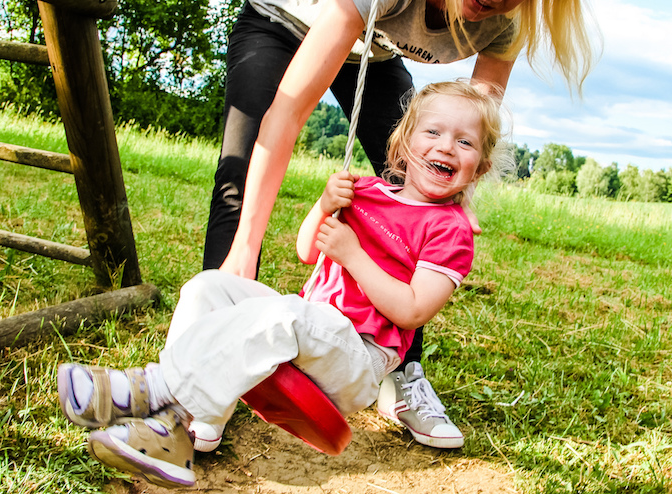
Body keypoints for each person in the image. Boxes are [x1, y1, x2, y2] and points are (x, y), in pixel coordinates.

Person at [56, 82, 512, 488]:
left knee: (287, 315)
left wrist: (352, 254)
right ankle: (183, 430)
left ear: (481, 167)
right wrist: (322, 205)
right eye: (433, 132)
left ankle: (154, 394)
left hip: (357, 357)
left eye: (464, 141)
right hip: (307, 326)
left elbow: (413, 310)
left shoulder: (451, 230)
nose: (447, 146)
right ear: (404, 143)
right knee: (210, 287)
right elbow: (307, 252)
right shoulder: (366, 191)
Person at [202, 0, 597, 449]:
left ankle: (400, 372)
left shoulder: (504, 24)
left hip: (372, 51)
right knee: (242, 165)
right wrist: (245, 247)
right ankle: (215, 371)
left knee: (412, 180)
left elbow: (475, 126)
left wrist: (455, 202)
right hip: (283, 21)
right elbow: (286, 115)